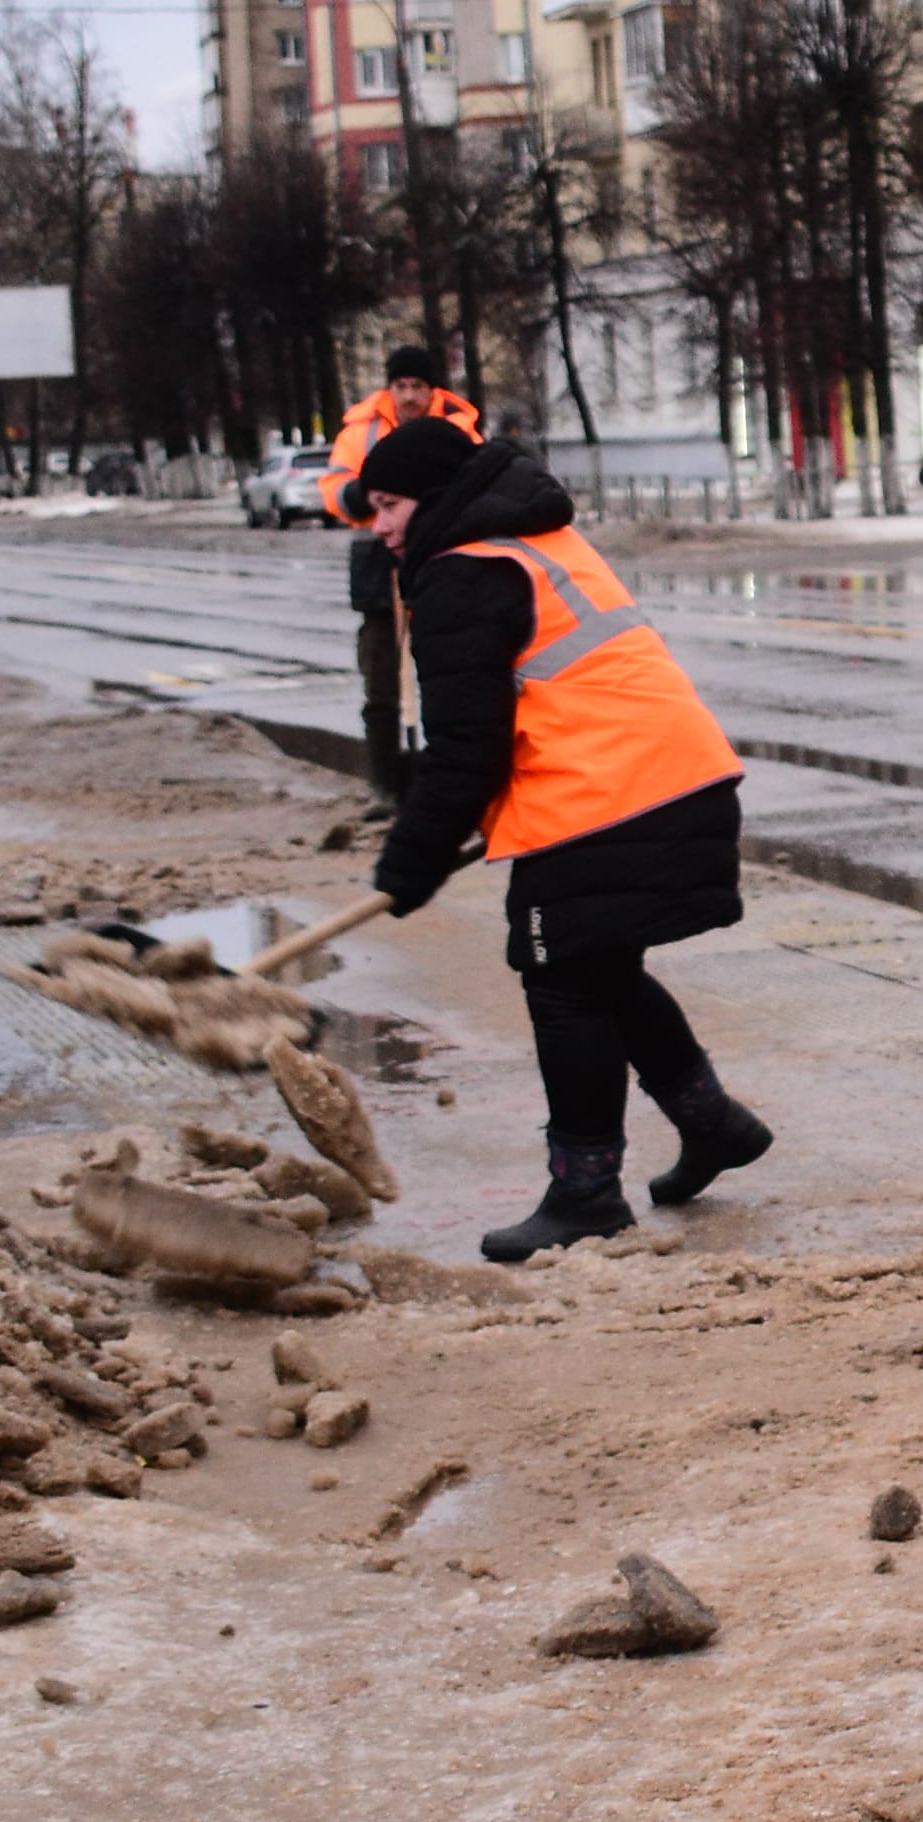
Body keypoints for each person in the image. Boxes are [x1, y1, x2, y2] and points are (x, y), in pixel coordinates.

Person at [351, 414, 775, 1260]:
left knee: (562, 981)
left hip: (607, 796)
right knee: (600, 967)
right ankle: (713, 1124)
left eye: (389, 504)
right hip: (669, 778)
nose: (378, 525)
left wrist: (410, 863)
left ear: (431, 498)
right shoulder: (530, 541)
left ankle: (585, 1192)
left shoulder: (461, 573)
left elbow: (465, 749)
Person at [321, 346, 477, 802]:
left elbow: (476, 478)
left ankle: (443, 776)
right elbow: (334, 489)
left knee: (446, 669)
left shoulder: (456, 425)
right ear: (390, 387)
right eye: (402, 386)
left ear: (433, 390)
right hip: (377, 563)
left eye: (418, 387)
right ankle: (385, 785)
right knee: (381, 675)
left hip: (438, 557)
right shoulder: (362, 429)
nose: (409, 396)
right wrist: (372, 498)